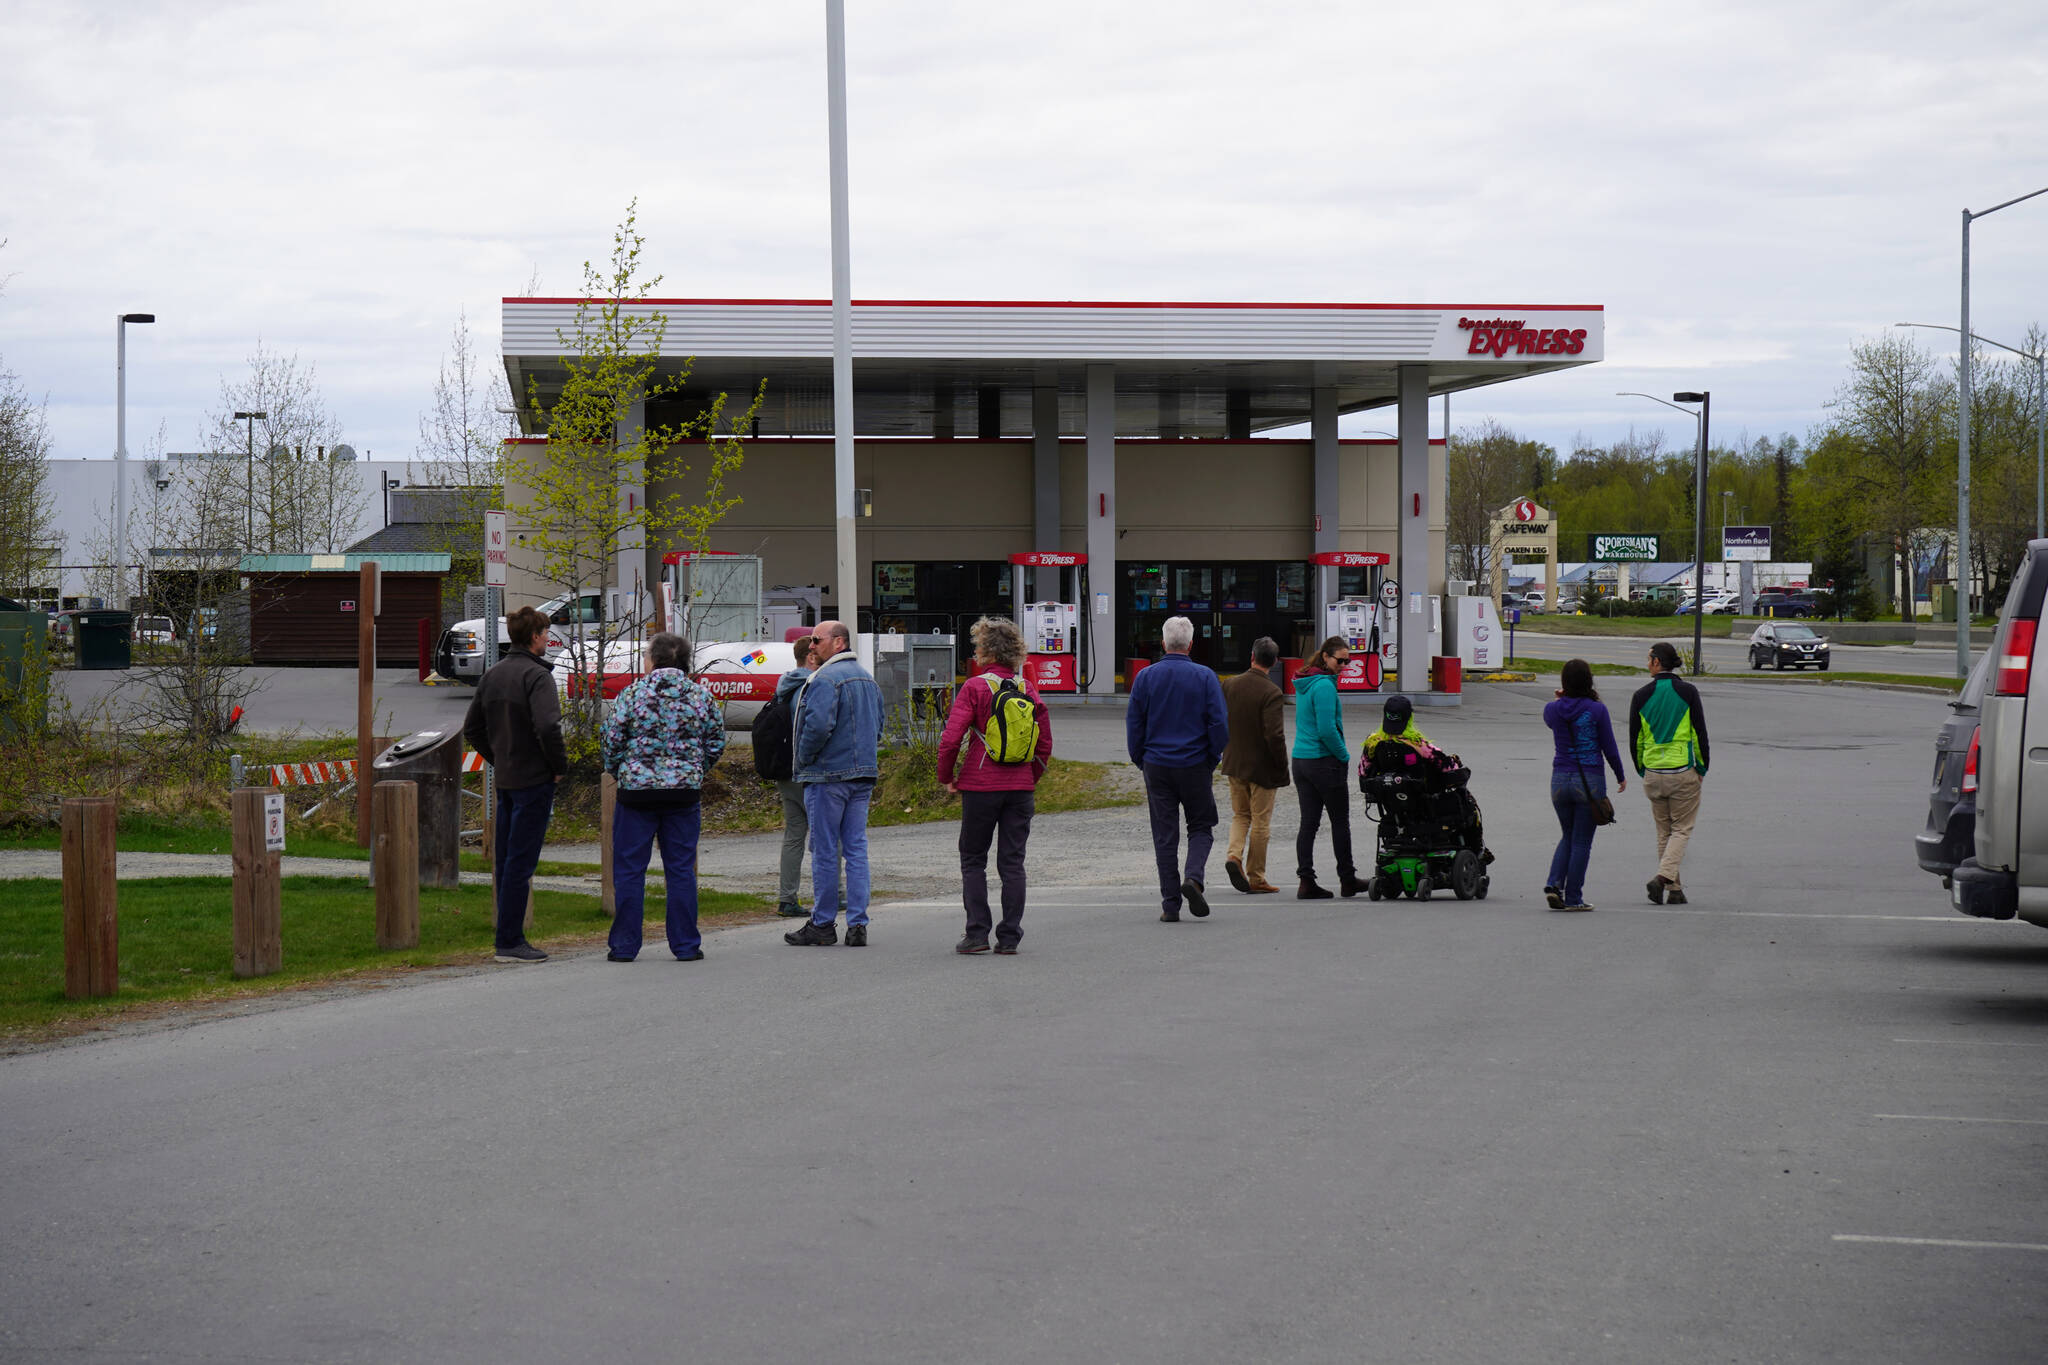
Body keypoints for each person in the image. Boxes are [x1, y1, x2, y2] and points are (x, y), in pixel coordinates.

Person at [600, 633, 726, 961]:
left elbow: (612, 740)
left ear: (652, 660)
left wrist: (619, 770)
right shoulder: (701, 697)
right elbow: (716, 741)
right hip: (683, 794)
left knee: (629, 869)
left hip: (637, 794)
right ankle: (685, 945)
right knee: (681, 869)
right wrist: (695, 769)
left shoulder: (632, 694)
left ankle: (625, 946)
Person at [937, 616, 1053, 954]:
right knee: (1012, 863)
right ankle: (1009, 937)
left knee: (974, 859)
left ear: (986, 651)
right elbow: (1044, 744)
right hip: (1020, 788)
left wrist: (948, 777)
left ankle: (976, 935)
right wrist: (1029, 779)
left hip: (979, 785)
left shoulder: (974, 688)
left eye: (977, 645)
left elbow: (950, 740)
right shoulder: (1027, 689)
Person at [462, 603, 567, 964]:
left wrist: (498, 758)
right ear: (536, 637)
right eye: (546, 633)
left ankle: (506, 935)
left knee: (506, 860)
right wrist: (558, 765)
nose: (549, 638)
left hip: (506, 778)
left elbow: (473, 728)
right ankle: (510, 939)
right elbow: (549, 726)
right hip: (534, 779)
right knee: (521, 862)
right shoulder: (538, 677)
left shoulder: (493, 674)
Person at [785, 620, 884, 947]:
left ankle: (823, 922)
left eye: (817, 640)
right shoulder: (868, 679)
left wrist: (802, 760)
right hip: (862, 774)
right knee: (855, 848)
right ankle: (858, 923)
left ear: (839, 642)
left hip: (828, 775)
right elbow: (878, 724)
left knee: (825, 850)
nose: (811, 645)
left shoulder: (825, 679)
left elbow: (816, 728)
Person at [1126, 615, 1229, 922]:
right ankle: (1193, 877)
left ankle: (1170, 904)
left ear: (1163, 643)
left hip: (1157, 764)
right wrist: (1212, 757)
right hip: (1195, 762)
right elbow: (1219, 723)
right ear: (1191, 644)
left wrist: (1140, 758)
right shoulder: (1206, 676)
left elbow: (1135, 722)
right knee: (1201, 826)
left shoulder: (1145, 677)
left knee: (1164, 835)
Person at [1629, 641, 1710, 905]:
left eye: (1648, 658)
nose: (1646, 662)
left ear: (1655, 661)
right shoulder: (1687, 692)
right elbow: (1699, 733)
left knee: (1664, 831)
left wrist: (1642, 768)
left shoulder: (1641, 696)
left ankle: (1675, 890)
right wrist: (1702, 766)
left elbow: (1636, 739)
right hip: (1681, 770)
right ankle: (1663, 877)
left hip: (1653, 771)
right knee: (1682, 829)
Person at [1543, 657, 1627, 912]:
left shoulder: (1551, 709)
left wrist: (1560, 698)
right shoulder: (1596, 710)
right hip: (1588, 780)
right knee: (1581, 841)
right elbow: (1609, 746)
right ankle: (1573, 897)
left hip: (1559, 780)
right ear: (1589, 680)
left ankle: (1553, 884)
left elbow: (1553, 718)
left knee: (1568, 835)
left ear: (1563, 682)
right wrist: (1620, 774)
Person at [1290, 635, 1363, 900]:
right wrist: (1344, 756)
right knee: (1340, 822)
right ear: (1325, 656)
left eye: (1348, 661)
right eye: (1340, 660)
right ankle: (1348, 879)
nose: (1344, 666)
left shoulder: (1306, 682)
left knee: (1308, 822)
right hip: (1323, 761)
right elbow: (1326, 729)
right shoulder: (1324, 687)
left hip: (1301, 760)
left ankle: (1306, 880)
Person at [1220, 636, 1289, 895]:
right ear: (1274, 662)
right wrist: (1281, 766)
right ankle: (1256, 876)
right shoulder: (1272, 692)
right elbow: (1274, 735)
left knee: (1240, 815)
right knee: (1261, 822)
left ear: (1252, 656)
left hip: (1234, 762)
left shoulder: (1230, 685)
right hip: (1261, 768)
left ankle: (1233, 855)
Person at [768, 634, 820, 918]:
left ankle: (787, 898)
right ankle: (832, 894)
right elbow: (815, 727)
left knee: (794, 834)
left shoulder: (784, 687)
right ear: (810, 658)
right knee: (827, 835)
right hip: (806, 770)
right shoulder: (809, 687)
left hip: (784, 769)